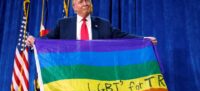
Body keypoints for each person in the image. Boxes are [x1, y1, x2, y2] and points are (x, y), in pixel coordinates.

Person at [26, 0, 157, 46]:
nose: (85, 4)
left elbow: (122, 36)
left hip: (96, 74)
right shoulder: (63, 24)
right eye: (81, 1)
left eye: (87, 1)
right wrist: (34, 41)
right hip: (72, 74)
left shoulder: (103, 24)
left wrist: (144, 40)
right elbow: (48, 40)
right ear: (74, 7)